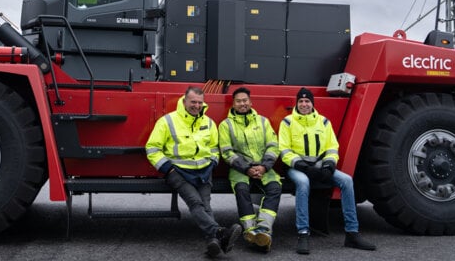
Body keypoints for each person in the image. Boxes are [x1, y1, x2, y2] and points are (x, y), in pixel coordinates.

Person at [146, 86, 242, 257]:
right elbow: (152, 148)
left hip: (204, 171)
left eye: (199, 102)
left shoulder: (209, 122)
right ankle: (219, 233)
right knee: (195, 203)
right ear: (184, 101)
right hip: (178, 172)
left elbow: (213, 147)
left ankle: (214, 241)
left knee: (205, 205)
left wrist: (212, 162)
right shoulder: (167, 121)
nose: (196, 105)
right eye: (193, 102)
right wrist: (168, 169)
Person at [279, 87, 376, 255]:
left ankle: (352, 234)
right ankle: (303, 233)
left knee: (346, 180)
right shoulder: (287, 122)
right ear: (297, 103)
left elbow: (332, 147)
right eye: (301, 101)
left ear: (312, 104)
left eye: (307, 101)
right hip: (297, 168)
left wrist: (329, 166)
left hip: (320, 166)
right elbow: (284, 150)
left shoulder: (323, 122)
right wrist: (303, 167)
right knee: (303, 183)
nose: (304, 104)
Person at [218, 87, 281, 252]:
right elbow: (226, 152)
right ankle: (250, 230)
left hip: (263, 167)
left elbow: (273, 146)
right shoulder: (226, 125)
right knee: (242, 189)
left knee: (275, 188)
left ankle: (264, 229)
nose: (242, 104)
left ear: (251, 102)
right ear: (233, 104)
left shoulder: (263, 121)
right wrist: (246, 169)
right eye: (238, 101)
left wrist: (264, 166)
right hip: (240, 169)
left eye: (245, 100)